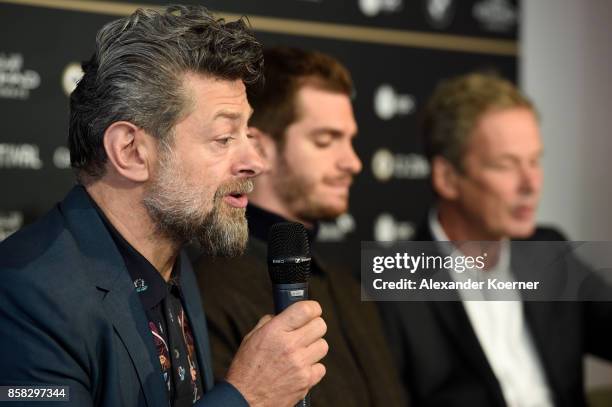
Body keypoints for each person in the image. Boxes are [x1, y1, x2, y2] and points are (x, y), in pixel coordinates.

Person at [0, 6, 328, 407]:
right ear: (132, 151)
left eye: (248, 132)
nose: (255, 162)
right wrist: (247, 397)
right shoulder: (25, 294)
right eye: (225, 137)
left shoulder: (175, 262)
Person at [379, 72, 612, 407]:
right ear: (447, 178)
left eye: (535, 161)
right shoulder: (394, 284)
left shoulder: (547, 251)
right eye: (507, 165)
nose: (531, 184)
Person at [194, 47, 407, 406]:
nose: (353, 162)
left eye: (350, 141)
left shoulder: (347, 288)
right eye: (325, 141)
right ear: (259, 149)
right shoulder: (209, 287)